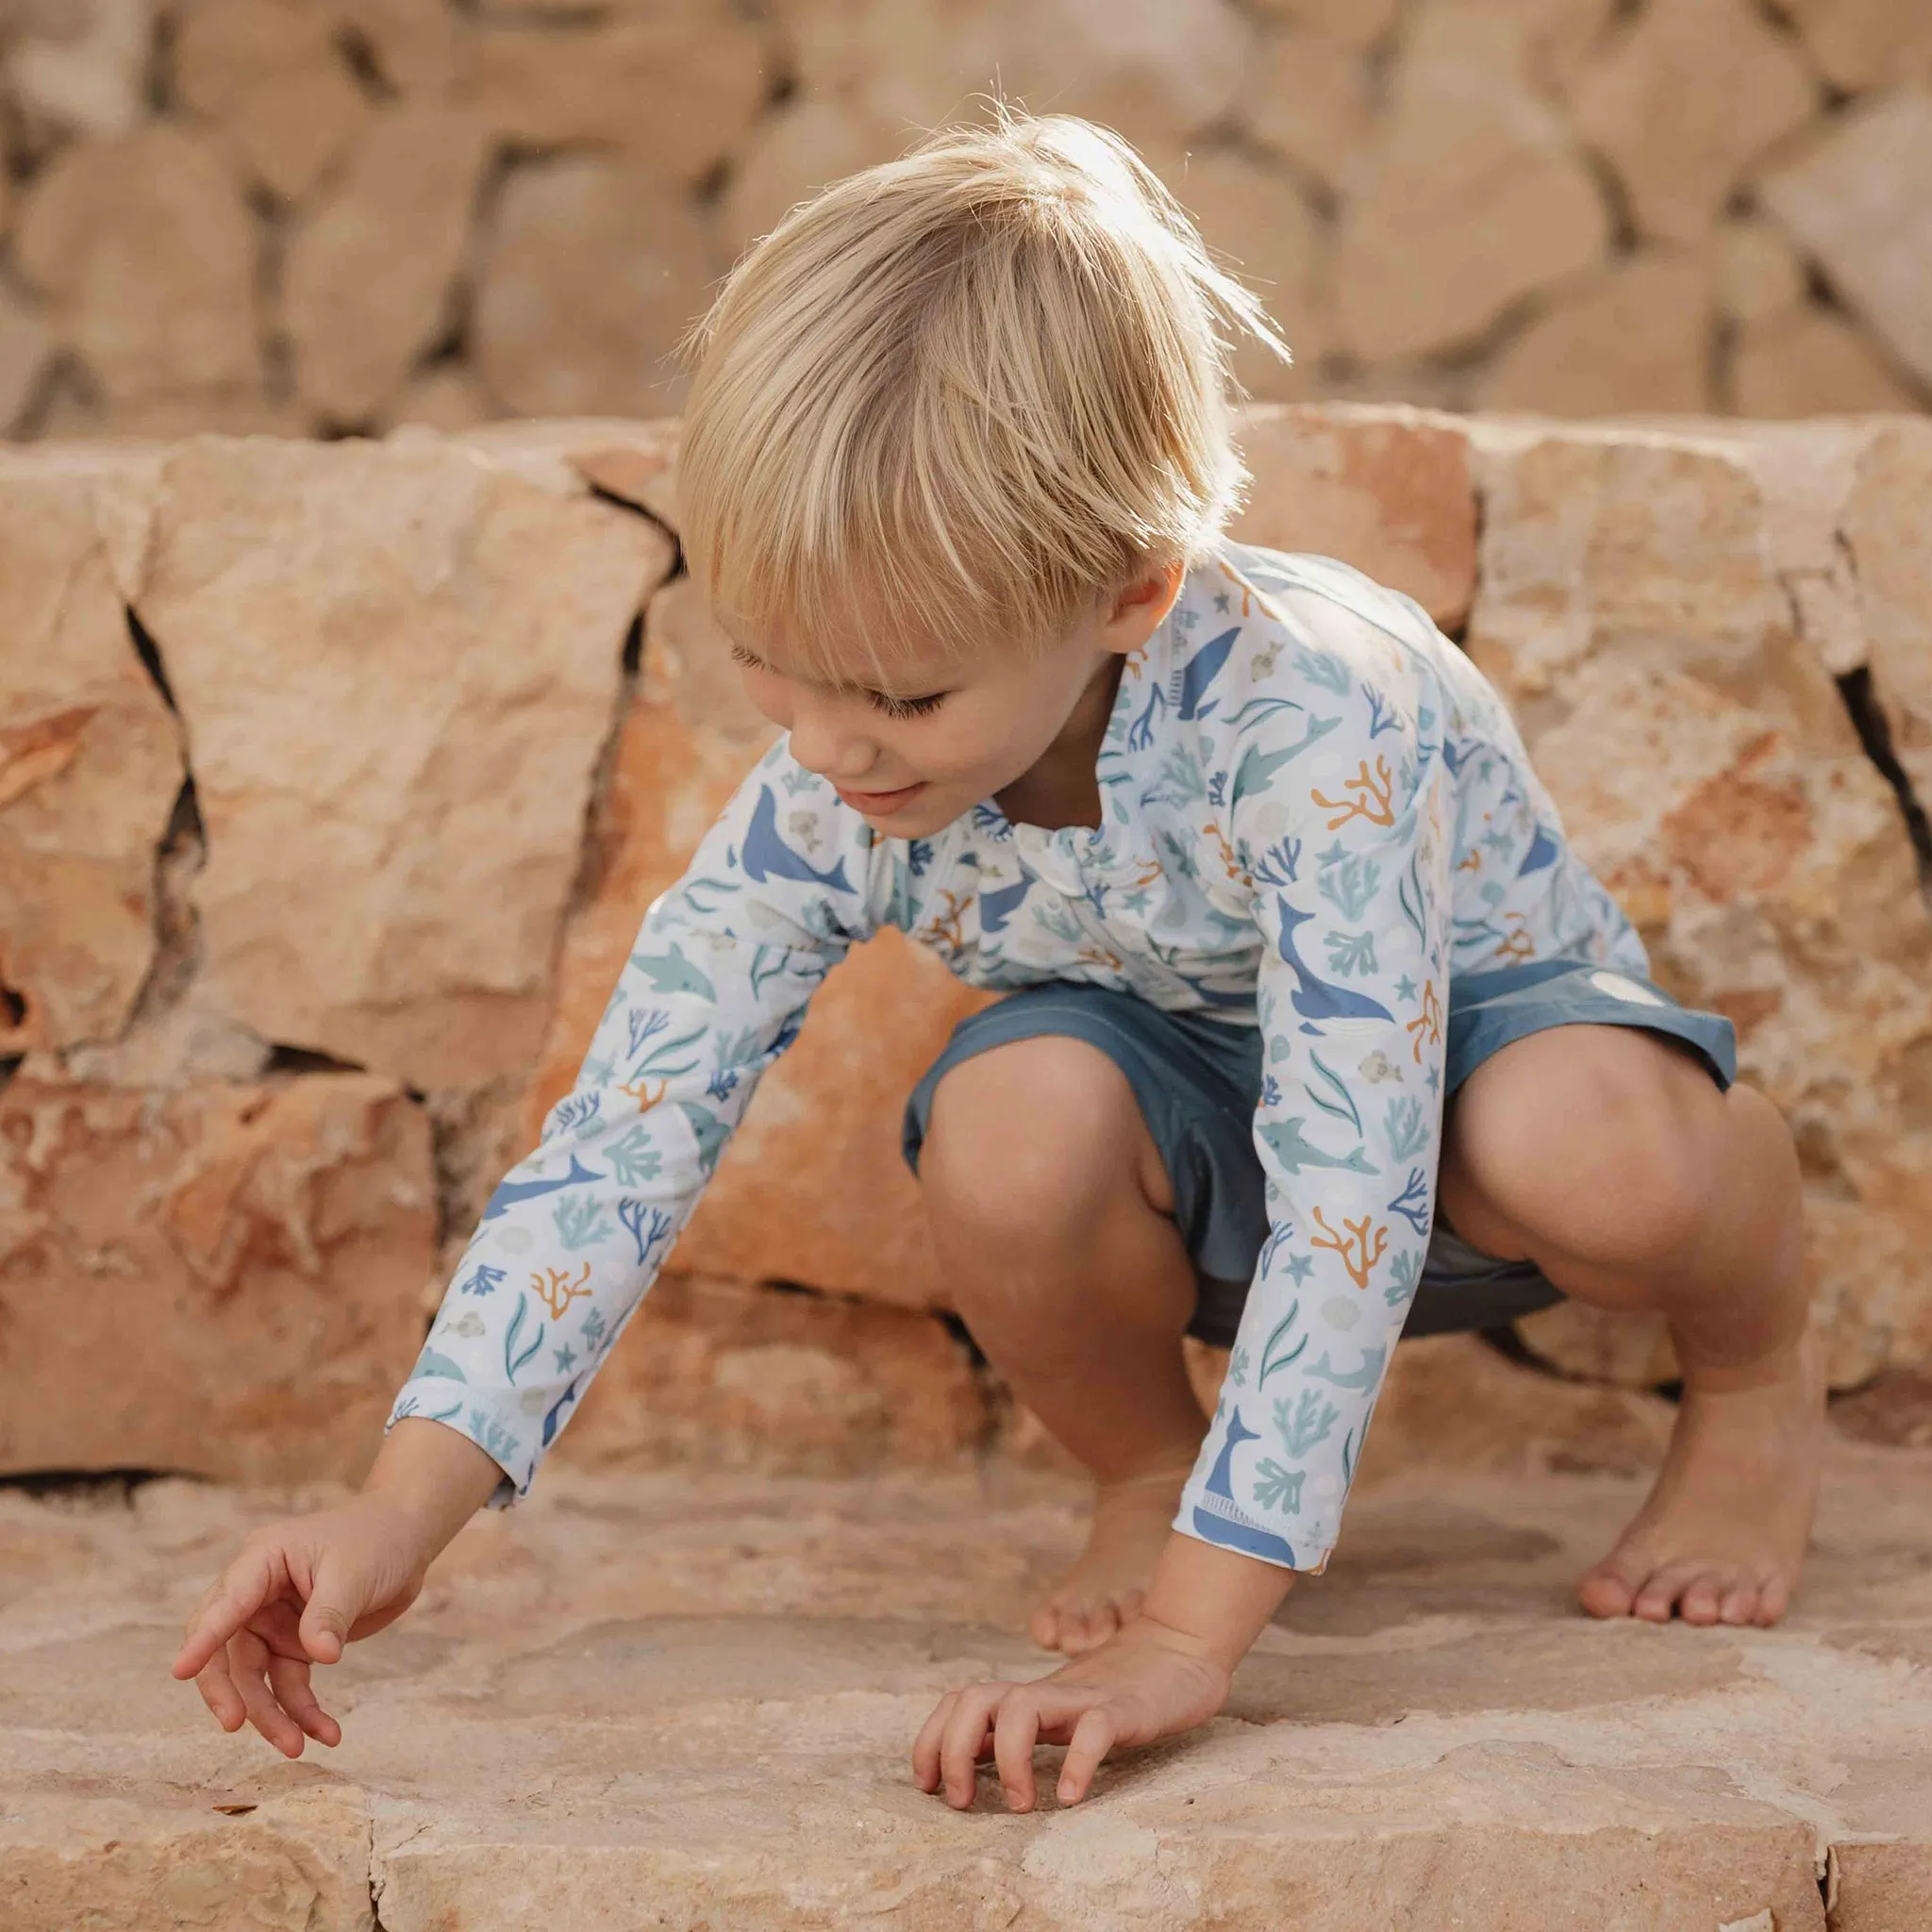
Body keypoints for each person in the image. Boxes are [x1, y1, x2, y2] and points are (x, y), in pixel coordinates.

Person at [174, 108, 1824, 1816]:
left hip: (1468, 1095)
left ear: (1128, 590)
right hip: (1203, 1133)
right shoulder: (834, 776)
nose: (828, 749)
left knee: (1586, 1145)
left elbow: (1353, 1184)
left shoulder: (1314, 716)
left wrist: (1192, 1638)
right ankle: (1141, 1465)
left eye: (900, 696)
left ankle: (1758, 1382)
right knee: (1011, 1116)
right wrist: (396, 1508)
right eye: (773, 668)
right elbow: (621, 1145)